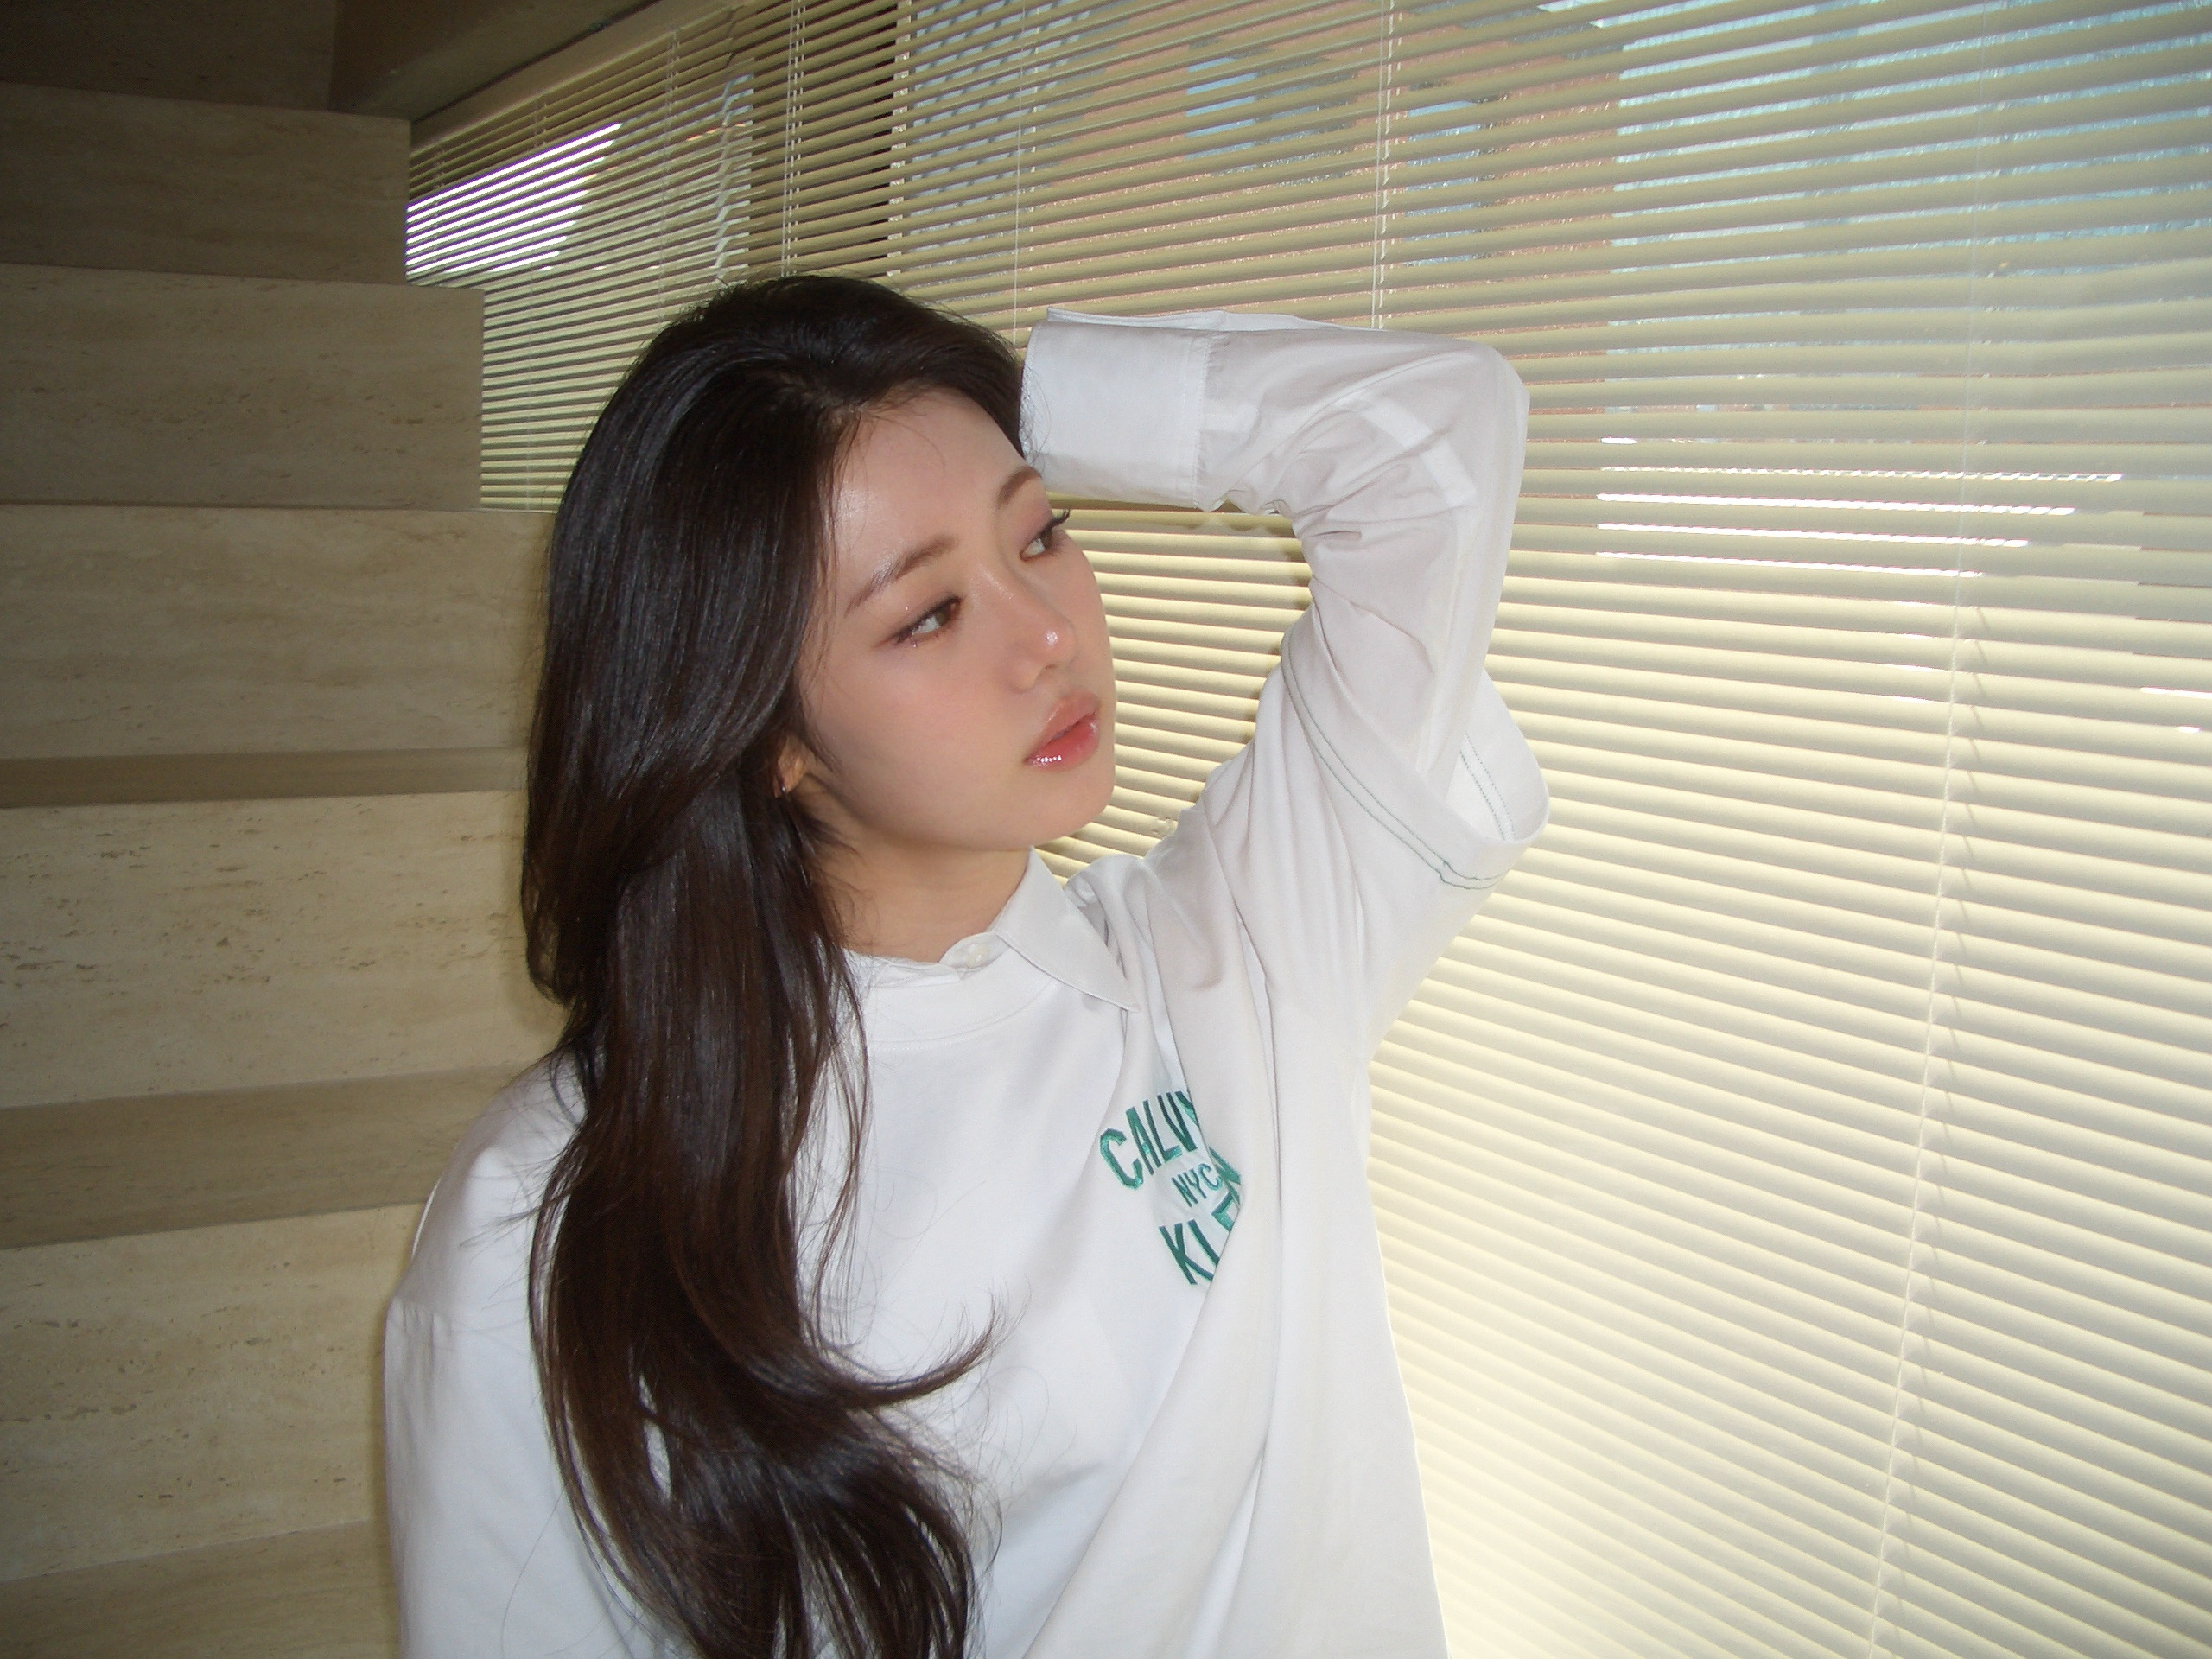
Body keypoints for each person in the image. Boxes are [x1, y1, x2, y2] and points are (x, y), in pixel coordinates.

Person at [383, 273, 1548, 1659]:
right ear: (764, 733)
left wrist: (1010, 396)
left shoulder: (1242, 941)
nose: (1050, 634)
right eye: (928, 613)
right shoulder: (550, 1210)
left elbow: (1433, 441)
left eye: (1042, 532)